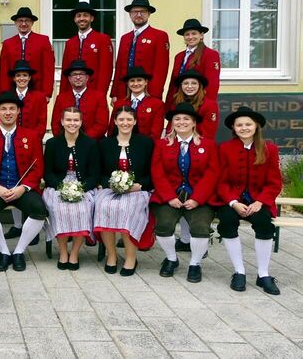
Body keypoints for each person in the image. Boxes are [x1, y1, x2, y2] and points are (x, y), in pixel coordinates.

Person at [0, 91, 47, 272]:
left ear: (18, 111)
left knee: (39, 209)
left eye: (12, 109)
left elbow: (37, 168)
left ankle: (19, 251)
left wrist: (23, 187)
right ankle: (3, 251)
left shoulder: (31, 135)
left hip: (22, 189)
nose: (8, 112)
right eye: (3, 109)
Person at [216, 107, 282, 295]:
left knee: (264, 223)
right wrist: (233, 202)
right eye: (239, 125)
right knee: (227, 221)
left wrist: (260, 202)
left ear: (256, 126)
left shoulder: (269, 149)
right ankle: (239, 271)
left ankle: (263, 274)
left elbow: (274, 182)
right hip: (232, 200)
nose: (244, 128)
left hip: (258, 201)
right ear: (234, 128)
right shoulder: (225, 148)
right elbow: (221, 181)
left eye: (248, 124)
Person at [150, 103, 219, 283]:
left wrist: (197, 199)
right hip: (169, 196)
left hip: (199, 197)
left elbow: (212, 174)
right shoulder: (162, 144)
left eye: (186, 119)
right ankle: (171, 258)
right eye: (177, 119)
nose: (182, 122)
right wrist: (169, 197)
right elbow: (157, 172)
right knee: (163, 225)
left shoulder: (208, 144)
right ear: (172, 123)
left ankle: (195, 264)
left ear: (194, 122)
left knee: (200, 227)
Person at [95, 106, 154, 276]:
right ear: (115, 121)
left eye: (129, 119)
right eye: (121, 119)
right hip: (110, 188)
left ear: (135, 122)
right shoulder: (104, 144)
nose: (125, 123)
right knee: (103, 206)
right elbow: (99, 172)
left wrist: (140, 185)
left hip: (138, 189)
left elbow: (153, 172)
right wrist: (111, 184)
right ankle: (111, 255)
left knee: (127, 209)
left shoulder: (146, 143)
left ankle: (130, 258)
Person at [43, 107, 100, 270]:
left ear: (81, 122)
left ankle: (74, 252)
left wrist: (81, 188)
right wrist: (62, 187)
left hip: (82, 185)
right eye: (68, 120)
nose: (72, 123)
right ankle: (63, 251)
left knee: (83, 209)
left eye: (76, 120)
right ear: (62, 121)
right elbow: (48, 173)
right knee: (58, 208)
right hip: (58, 185)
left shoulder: (90, 144)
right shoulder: (53, 143)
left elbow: (94, 174)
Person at [110, 0, 170, 103]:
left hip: (147, 92)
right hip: (124, 93)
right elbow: (119, 67)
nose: (138, 15)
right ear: (130, 14)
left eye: (142, 11)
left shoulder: (159, 36)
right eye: (135, 12)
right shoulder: (125, 38)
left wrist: (154, 95)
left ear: (149, 14)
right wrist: (114, 93)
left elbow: (161, 69)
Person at [0, 7, 54, 102]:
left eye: (27, 20)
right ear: (15, 23)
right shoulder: (7, 43)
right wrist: (4, 92)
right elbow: (4, 70)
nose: (23, 24)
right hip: (13, 90)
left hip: (37, 89)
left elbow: (48, 68)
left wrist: (47, 93)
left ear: (32, 22)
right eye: (20, 20)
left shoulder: (43, 41)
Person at [59, 2, 114, 95]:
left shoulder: (103, 39)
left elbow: (106, 71)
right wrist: (63, 95)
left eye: (85, 15)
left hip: (94, 91)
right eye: (78, 16)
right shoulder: (70, 43)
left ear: (91, 18)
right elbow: (65, 72)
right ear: (75, 19)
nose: (81, 18)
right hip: (72, 93)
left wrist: (100, 94)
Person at [51, 59, 109, 139]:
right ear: (69, 78)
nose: (78, 77)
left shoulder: (99, 97)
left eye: (81, 74)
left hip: (93, 142)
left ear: (87, 77)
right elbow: (55, 124)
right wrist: (64, 140)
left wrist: (84, 140)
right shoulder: (61, 98)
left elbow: (102, 124)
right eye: (74, 74)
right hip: (66, 141)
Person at [165, 19, 221, 102]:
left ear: (201, 35)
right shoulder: (179, 56)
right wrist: (168, 105)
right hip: (179, 102)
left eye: (194, 33)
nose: (190, 37)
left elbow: (212, 85)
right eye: (187, 34)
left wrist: (207, 105)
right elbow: (173, 84)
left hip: (197, 102)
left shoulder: (210, 54)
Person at [108, 66, 165, 139]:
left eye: (139, 80)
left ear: (146, 82)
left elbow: (156, 133)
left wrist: (145, 144)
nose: (135, 83)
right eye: (132, 81)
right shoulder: (119, 104)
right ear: (128, 83)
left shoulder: (157, 104)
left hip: (145, 144)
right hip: (121, 143)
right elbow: (112, 129)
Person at [2, 59, 48, 142]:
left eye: (25, 75)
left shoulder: (40, 97)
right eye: (18, 75)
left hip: (32, 141)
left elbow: (41, 123)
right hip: (9, 140)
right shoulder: (6, 96)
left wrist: (32, 139)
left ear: (29, 78)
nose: (21, 78)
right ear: (14, 78)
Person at [164, 69, 219, 139]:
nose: (189, 86)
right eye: (186, 83)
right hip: (175, 141)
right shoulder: (175, 102)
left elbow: (208, 134)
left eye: (194, 83)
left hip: (198, 142)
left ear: (199, 85)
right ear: (181, 85)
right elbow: (171, 127)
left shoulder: (210, 105)